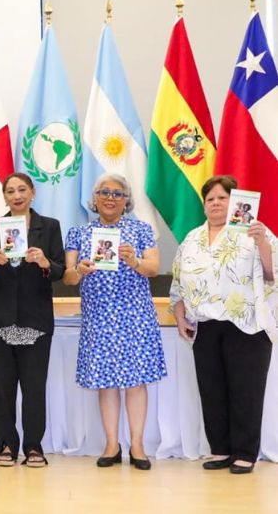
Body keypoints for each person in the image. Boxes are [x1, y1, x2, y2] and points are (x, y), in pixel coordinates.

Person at [170, 175, 277, 474]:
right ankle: (220, 449)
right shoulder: (191, 238)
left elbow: (272, 275)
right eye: (210, 199)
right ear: (203, 206)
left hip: (247, 324)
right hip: (205, 325)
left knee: (246, 390)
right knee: (212, 389)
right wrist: (179, 315)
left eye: (222, 197)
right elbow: (178, 283)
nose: (216, 203)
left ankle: (244, 453)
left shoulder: (256, 233)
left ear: (235, 202)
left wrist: (262, 245)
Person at [62, 173, 166, 470]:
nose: (110, 197)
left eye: (117, 194)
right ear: (94, 199)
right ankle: (111, 444)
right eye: (104, 192)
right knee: (105, 384)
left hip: (135, 316)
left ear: (126, 201)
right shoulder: (79, 232)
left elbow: (154, 268)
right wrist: (79, 270)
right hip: (99, 317)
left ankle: (137, 445)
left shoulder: (142, 230)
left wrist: (134, 261)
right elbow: (68, 278)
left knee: (135, 383)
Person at [0, 172, 64, 468]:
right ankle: (7, 445)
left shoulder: (49, 227)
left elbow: (61, 271)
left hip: (35, 321)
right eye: (10, 191)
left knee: (34, 387)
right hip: (0, 321)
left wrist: (44, 262)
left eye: (22, 189)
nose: (16, 195)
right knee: (3, 389)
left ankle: (34, 446)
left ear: (32, 193)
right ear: (4, 197)